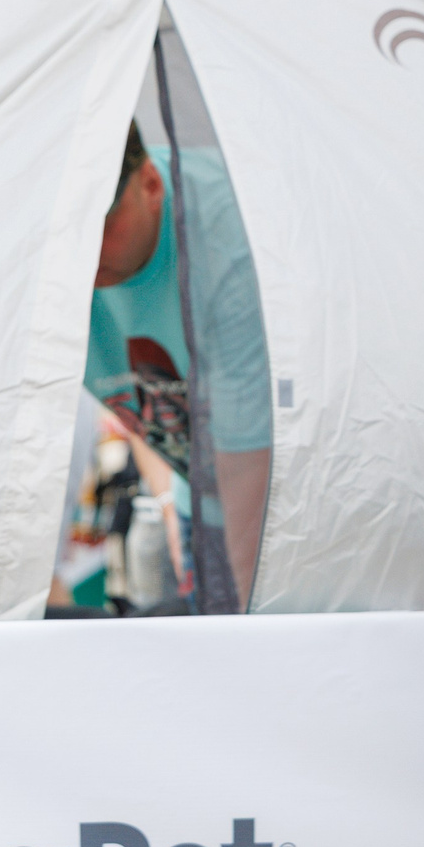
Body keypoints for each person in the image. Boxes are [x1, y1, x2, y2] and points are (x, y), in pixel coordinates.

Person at [88, 123, 275, 609]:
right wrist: (170, 501)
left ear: (151, 184)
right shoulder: (56, 258)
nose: (83, 255)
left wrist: (240, 612)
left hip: (276, 504)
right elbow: (134, 394)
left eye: (100, 227)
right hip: (198, 490)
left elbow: (249, 457)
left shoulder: (227, 236)